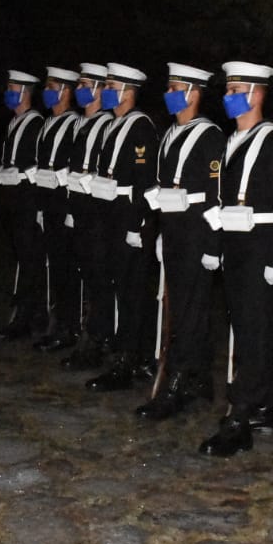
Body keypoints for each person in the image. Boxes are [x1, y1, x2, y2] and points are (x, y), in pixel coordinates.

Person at [198, 61, 273, 456]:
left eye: (237, 89)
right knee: (248, 329)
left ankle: (239, 416)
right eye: (227, 89)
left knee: (255, 331)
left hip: (259, 248)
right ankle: (264, 407)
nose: (228, 96)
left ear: (257, 94)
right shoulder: (231, 140)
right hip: (235, 247)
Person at [135, 63, 225, 419]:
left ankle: (178, 382)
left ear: (194, 92)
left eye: (175, 88)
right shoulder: (171, 133)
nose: (169, 94)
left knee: (189, 314)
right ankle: (199, 377)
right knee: (182, 310)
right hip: (173, 234)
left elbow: (217, 194)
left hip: (196, 236)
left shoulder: (209, 136)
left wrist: (211, 245)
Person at [84, 62, 159, 391]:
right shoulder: (113, 125)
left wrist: (138, 224)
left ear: (128, 93)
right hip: (110, 216)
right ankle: (120, 349)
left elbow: (144, 181)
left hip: (129, 219)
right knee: (116, 286)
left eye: (111, 87)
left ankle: (130, 358)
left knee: (132, 292)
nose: (105, 92)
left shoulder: (140, 127)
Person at [61, 63, 115, 370]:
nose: (81, 90)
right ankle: (87, 336)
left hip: (96, 214)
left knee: (99, 281)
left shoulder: (106, 124)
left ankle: (97, 341)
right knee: (86, 277)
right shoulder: (83, 123)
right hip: (80, 210)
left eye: (85, 85)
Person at [0, 70, 47, 340]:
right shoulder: (15, 122)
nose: (8, 93)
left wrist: (21, 176)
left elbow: (39, 164)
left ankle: (26, 318)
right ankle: (31, 314)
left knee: (30, 261)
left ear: (24, 92)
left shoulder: (35, 123)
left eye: (12, 88)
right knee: (23, 259)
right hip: (13, 200)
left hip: (27, 202)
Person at [31, 67, 82, 353]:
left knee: (66, 270)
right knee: (56, 269)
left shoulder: (73, 123)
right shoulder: (49, 122)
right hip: (48, 204)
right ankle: (57, 323)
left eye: (53, 87)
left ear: (66, 91)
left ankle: (68, 327)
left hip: (64, 205)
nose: (48, 93)